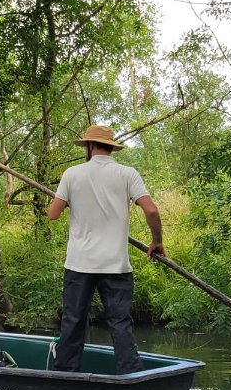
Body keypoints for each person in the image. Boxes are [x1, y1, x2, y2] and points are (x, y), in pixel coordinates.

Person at [47, 124, 164, 374]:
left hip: (79, 264)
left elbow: (52, 214)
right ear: (110, 148)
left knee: (73, 321)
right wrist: (157, 242)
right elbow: (152, 210)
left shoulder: (72, 174)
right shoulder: (127, 174)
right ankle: (131, 374)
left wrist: (66, 200)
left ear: (89, 146)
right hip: (116, 265)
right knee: (120, 323)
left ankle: (65, 375)